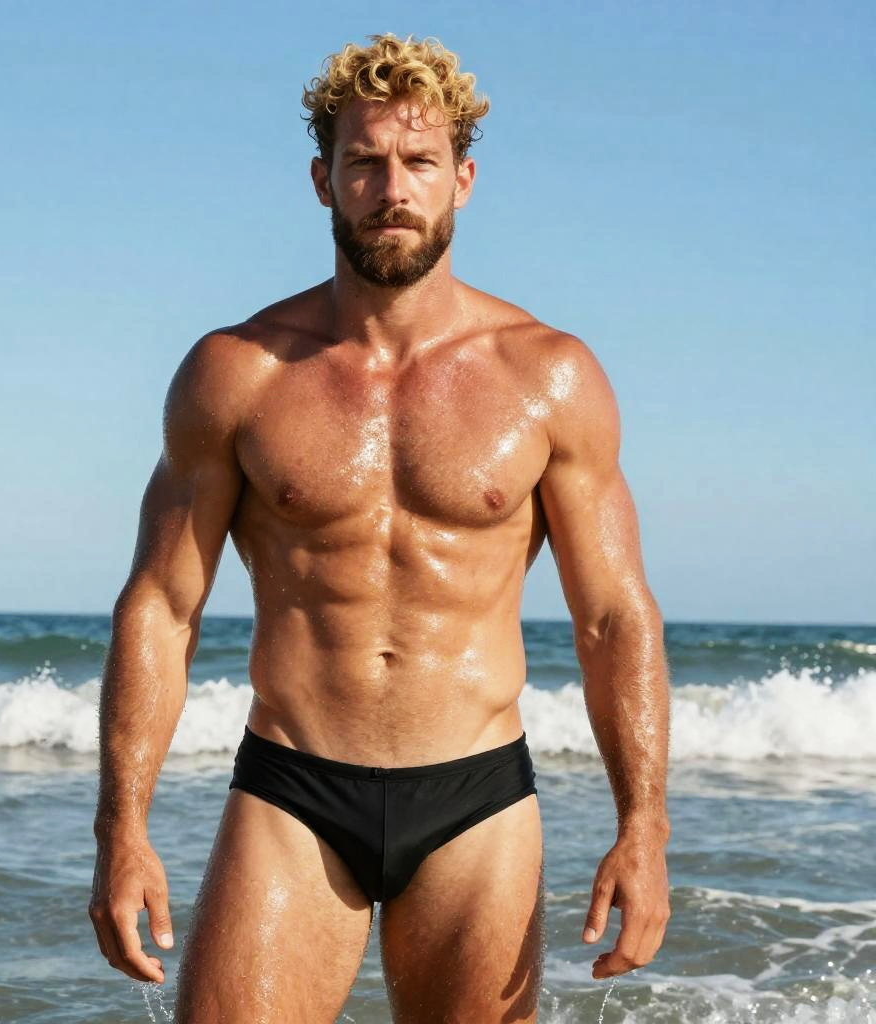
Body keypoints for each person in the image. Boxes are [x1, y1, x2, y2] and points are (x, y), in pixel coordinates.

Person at [88, 33, 671, 1023]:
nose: (391, 188)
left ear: (464, 179)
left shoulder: (548, 376)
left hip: (478, 798)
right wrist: (121, 829)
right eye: (363, 162)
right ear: (323, 179)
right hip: (291, 788)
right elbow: (161, 608)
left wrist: (643, 827)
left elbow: (614, 616)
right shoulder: (238, 372)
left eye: (418, 162)